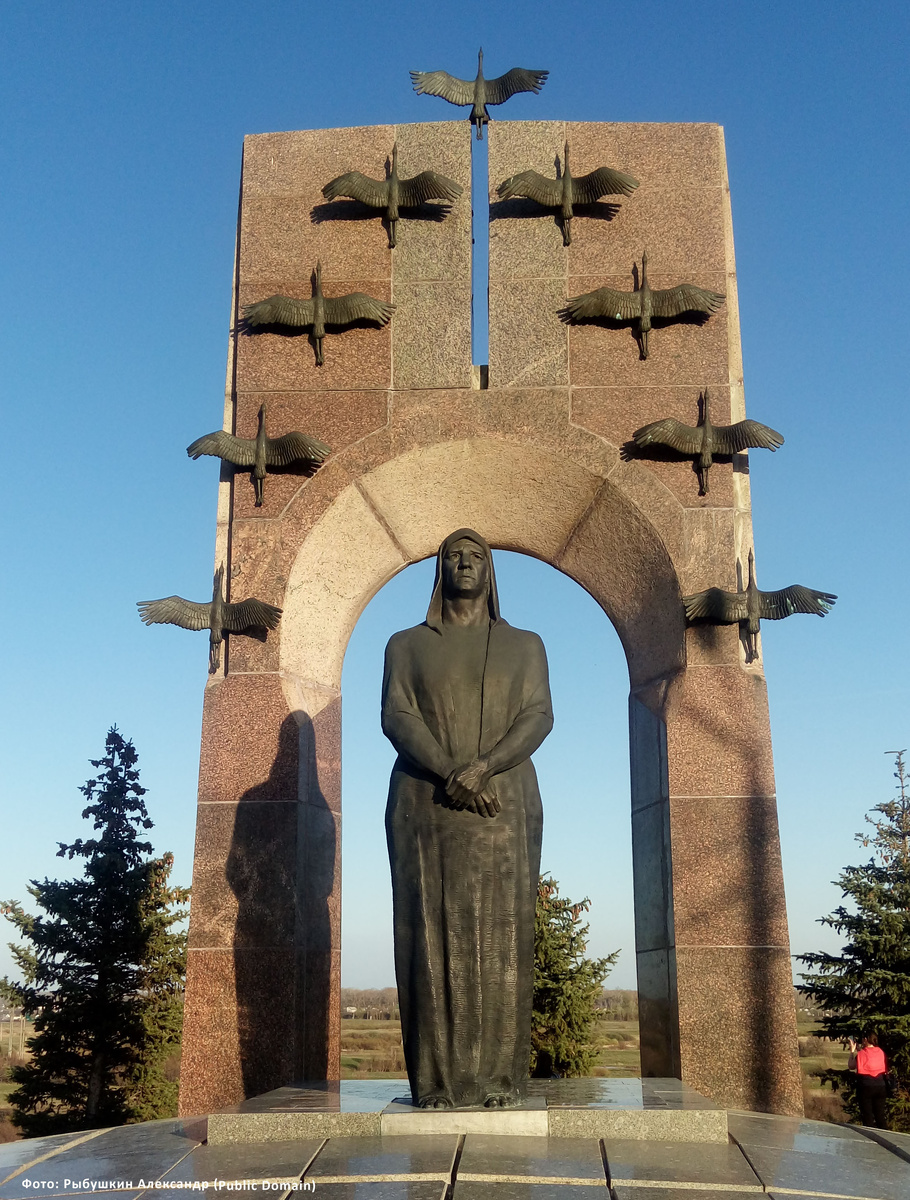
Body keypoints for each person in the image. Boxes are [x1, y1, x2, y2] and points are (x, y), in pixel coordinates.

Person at [381, 529, 554, 1109]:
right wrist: (454, 772)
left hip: (503, 806)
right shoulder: (405, 644)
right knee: (428, 933)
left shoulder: (524, 644)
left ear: (491, 572)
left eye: (476, 555)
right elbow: (397, 715)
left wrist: (484, 768)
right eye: (453, 555)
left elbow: (537, 715)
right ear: (438, 570)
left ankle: (499, 1080)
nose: (464, 563)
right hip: (424, 807)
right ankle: (434, 1082)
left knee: (502, 935)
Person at [848, 1034, 889, 1129]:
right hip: (880, 1085)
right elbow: (870, 1058)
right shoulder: (880, 1052)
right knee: (880, 1116)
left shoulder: (861, 1054)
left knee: (867, 1116)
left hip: (865, 1086)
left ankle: (870, 1138)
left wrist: (852, 1052)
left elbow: (851, 1066)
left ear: (865, 1039)